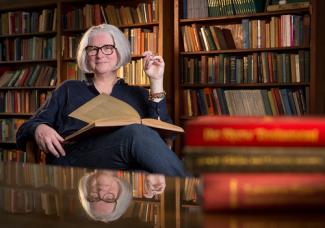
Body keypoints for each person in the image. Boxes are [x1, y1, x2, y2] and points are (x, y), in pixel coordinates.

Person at [16, 23, 187, 177]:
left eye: (107, 48)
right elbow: (23, 131)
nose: (100, 54)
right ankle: (192, 191)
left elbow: (163, 135)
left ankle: (185, 202)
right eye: (93, 49)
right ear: (86, 54)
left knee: (145, 173)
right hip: (73, 162)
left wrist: (156, 80)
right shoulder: (69, 89)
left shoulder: (137, 93)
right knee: (136, 133)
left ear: (119, 51)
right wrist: (39, 128)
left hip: (119, 170)